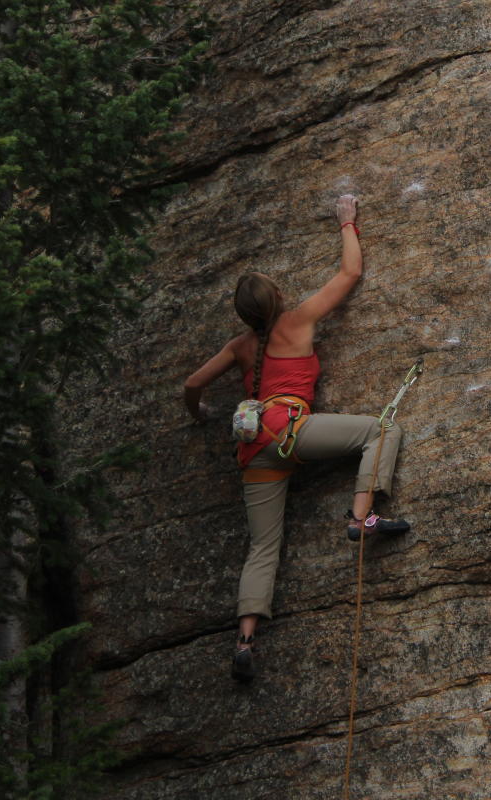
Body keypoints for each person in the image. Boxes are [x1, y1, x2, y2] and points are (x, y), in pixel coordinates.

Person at [183, 194, 408, 683]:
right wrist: (346, 222)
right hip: (292, 432)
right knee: (381, 428)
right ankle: (361, 518)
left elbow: (191, 384)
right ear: (278, 299)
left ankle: (245, 640)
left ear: (245, 316)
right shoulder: (298, 320)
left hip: (254, 451)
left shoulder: (239, 346)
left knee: (263, 548)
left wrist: (198, 412)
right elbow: (349, 276)